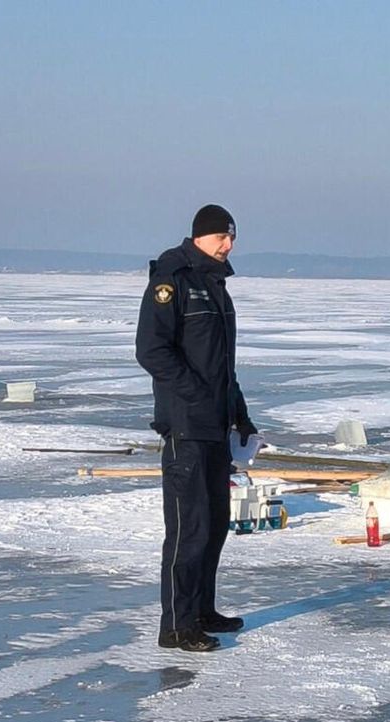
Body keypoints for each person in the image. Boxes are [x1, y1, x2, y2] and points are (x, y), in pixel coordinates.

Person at [135, 204, 258, 653]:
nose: (228, 245)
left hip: (216, 426)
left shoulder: (216, 286)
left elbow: (222, 365)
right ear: (200, 237)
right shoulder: (173, 281)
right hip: (186, 426)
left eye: (232, 238)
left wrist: (238, 411)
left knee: (215, 523)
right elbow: (152, 351)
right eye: (221, 238)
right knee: (188, 528)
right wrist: (194, 395)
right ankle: (176, 625)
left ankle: (202, 610)